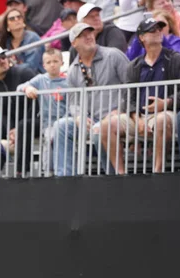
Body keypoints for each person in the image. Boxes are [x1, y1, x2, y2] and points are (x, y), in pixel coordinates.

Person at [99, 18, 180, 174]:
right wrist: (136, 117)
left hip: (167, 112)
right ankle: (120, 174)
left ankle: (158, 171)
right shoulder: (134, 65)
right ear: (141, 37)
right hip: (138, 115)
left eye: (158, 29)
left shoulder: (176, 59)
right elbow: (128, 96)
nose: (157, 32)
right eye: (152, 30)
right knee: (106, 125)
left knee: (161, 121)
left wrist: (166, 103)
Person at [53, 23, 129, 176]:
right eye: (82, 35)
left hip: (119, 116)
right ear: (74, 43)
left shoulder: (113, 55)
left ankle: (112, 177)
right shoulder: (74, 70)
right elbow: (73, 102)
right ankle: (64, 178)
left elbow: (132, 86)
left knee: (99, 129)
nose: (88, 36)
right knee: (60, 126)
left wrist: (120, 109)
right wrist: (79, 116)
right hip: (92, 119)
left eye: (90, 32)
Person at [0, 44, 39, 176]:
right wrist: (11, 129)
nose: (2, 61)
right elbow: (2, 113)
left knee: (24, 126)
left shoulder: (24, 72)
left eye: (3, 56)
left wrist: (17, 128)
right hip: (14, 123)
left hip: (36, 118)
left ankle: (21, 171)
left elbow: (36, 105)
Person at [17, 48, 69, 176]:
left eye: (55, 61)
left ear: (62, 63)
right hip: (46, 123)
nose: (52, 64)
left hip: (64, 121)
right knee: (49, 139)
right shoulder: (40, 79)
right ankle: (48, 171)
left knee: (55, 137)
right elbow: (19, 87)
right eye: (49, 62)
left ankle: (58, 171)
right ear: (44, 65)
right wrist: (28, 88)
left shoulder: (68, 81)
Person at [0, 8, 44, 73]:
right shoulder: (7, 42)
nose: (16, 19)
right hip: (17, 77)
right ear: (7, 26)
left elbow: (31, 66)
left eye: (19, 17)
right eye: (12, 19)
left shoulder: (32, 38)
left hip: (36, 77)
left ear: (23, 22)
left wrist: (11, 68)